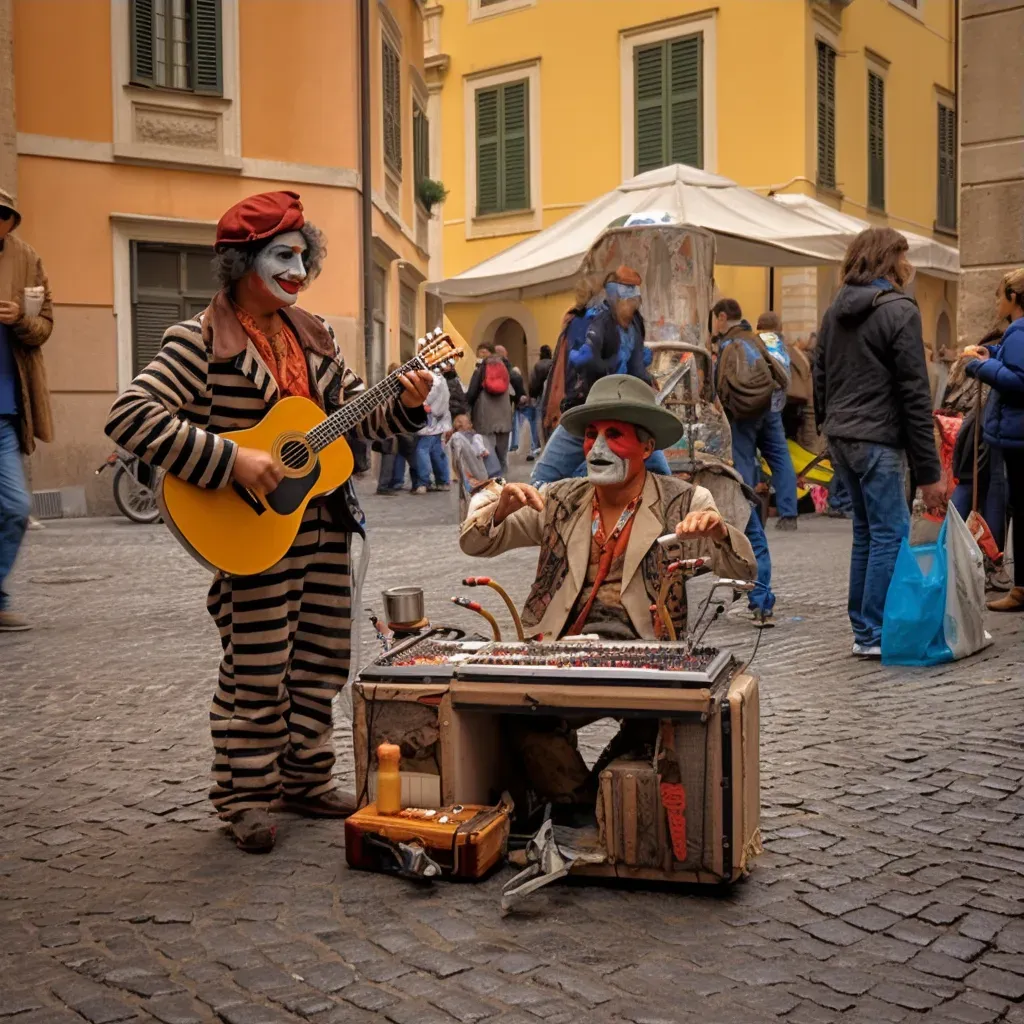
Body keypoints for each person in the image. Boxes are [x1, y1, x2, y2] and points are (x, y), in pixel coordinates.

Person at [104, 191, 432, 852]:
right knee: (257, 669)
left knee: (320, 660)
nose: (298, 269)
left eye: (305, 256)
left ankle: (305, 778)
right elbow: (129, 416)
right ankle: (245, 795)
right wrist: (231, 461)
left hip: (321, 525)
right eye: (283, 255)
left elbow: (350, 416)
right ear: (241, 262)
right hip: (252, 533)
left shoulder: (314, 334)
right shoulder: (199, 341)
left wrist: (404, 402)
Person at [461, 374, 756, 807]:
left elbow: (744, 572)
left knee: (660, 723)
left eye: (614, 435)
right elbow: (476, 543)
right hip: (563, 648)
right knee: (518, 715)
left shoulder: (686, 501)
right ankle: (586, 806)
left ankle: (605, 802)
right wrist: (498, 510)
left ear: (646, 446)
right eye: (592, 435)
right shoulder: (560, 498)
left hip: (645, 652)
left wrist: (717, 534)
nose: (597, 448)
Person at [814, 227, 943, 657]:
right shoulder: (900, 310)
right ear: (890, 260)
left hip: (843, 434)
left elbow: (820, 375)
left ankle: (863, 629)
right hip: (878, 437)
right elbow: (914, 392)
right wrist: (929, 472)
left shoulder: (835, 310)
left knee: (867, 534)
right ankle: (871, 631)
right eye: (904, 257)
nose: (909, 266)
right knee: (888, 533)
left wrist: (827, 425)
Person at [531, 267, 671, 485]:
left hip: (626, 410)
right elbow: (585, 362)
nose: (631, 302)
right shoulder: (595, 320)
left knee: (661, 475)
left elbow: (634, 364)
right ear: (614, 294)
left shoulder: (635, 324)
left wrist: (646, 380)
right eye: (627, 294)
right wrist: (605, 361)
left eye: (634, 296)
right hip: (589, 409)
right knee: (543, 477)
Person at [711, 299, 789, 626]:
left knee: (743, 507)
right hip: (768, 410)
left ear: (721, 317)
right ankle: (788, 509)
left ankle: (759, 597)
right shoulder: (758, 339)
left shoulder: (727, 345)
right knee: (778, 460)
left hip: (741, 420)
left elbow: (717, 391)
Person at [0, 186, 53, 632]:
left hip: (5, 412)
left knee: (16, 507)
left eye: (5, 214)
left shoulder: (26, 257)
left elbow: (44, 325)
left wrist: (20, 316)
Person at [964, 268, 1024, 611]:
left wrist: (977, 366)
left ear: (1014, 298)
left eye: (999, 295)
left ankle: (1020, 590)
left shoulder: (1018, 330)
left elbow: (1018, 381)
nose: (996, 301)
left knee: (1021, 509)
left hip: (1018, 437)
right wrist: (994, 357)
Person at [466, 343, 516, 476]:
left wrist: (467, 408)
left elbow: (472, 392)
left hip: (485, 413)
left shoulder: (481, 368)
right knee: (502, 449)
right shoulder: (505, 366)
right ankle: (504, 475)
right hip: (504, 413)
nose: (481, 355)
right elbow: (515, 384)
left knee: (487, 446)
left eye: (483, 352)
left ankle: (494, 475)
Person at [412, 355, 451, 494]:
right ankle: (442, 480)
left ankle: (424, 482)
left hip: (429, 424)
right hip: (435, 424)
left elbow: (435, 401)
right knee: (436, 452)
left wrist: (427, 407)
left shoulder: (437, 382)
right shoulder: (440, 381)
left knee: (422, 451)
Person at [524, 344, 552, 460]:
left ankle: (540, 444)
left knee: (539, 420)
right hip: (552, 395)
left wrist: (532, 395)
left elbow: (534, 383)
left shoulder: (538, 365)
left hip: (541, 397)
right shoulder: (553, 363)